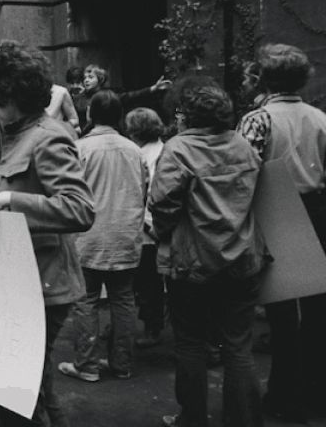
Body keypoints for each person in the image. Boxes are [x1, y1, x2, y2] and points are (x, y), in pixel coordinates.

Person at [0, 42, 95, 427]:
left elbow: (80, 208)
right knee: (26, 391)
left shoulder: (48, 136)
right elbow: (19, 193)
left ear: (12, 96)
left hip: (42, 284)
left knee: (12, 398)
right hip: (24, 280)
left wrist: (8, 198)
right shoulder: (20, 132)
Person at [151, 84, 266, 427]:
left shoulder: (179, 148)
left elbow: (161, 203)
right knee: (237, 347)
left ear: (188, 115)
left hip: (193, 261)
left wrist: (163, 232)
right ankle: (243, 420)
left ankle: (192, 418)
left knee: (190, 343)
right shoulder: (242, 145)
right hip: (243, 259)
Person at [237, 43, 326, 423]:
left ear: (263, 76)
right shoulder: (321, 117)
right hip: (318, 210)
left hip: (276, 209)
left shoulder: (258, 119)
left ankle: (285, 397)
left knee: (283, 316)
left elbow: (243, 174)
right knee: (319, 313)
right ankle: (316, 393)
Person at [59, 90, 145, 382]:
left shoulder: (79, 148)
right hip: (126, 232)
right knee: (123, 300)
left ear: (89, 115)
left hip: (89, 234)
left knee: (86, 300)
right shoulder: (135, 150)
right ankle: (122, 364)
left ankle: (87, 365)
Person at [124, 107, 167, 348]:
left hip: (147, 226)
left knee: (147, 281)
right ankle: (148, 322)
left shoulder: (144, 155)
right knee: (146, 280)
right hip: (149, 224)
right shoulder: (162, 149)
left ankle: (152, 327)